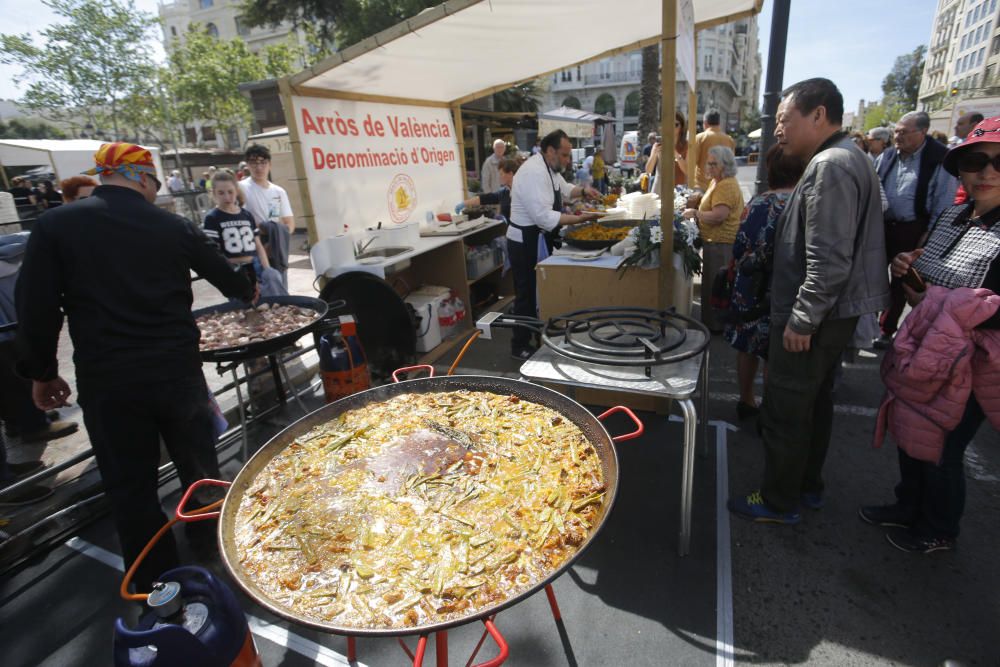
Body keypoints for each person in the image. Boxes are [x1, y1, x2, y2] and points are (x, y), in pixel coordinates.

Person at [14, 142, 255, 589]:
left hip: (109, 382)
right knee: (199, 467)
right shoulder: (171, 225)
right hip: (176, 373)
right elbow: (230, 280)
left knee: (130, 485)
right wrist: (248, 287)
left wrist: (42, 372)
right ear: (143, 177)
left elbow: (36, 306)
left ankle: (152, 580)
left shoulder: (55, 225)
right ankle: (213, 550)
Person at [727, 78, 889, 524]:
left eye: (784, 119)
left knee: (786, 406)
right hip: (830, 314)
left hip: (814, 317)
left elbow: (829, 259)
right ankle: (806, 487)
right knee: (814, 402)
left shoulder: (831, 165)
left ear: (818, 115)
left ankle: (779, 500)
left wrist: (801, 320)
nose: (777, 130)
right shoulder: (844, 158)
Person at [861, 116, 1000, 553]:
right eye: (976, 161)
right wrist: (908, 268)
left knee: (944, 445)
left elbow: (987, 308)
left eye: (999, 162)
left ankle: (939, 528)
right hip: (927, 345)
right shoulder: (953, 215)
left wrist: (936, 296)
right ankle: (910, 506)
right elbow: (932, 281)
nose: (987, 172)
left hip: (974, 359)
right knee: (912, 430)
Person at [724, 145, 806, 421]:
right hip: (786, 287)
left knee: (747, 346)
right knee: (775, 351)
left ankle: (746, 400)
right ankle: (771, 407)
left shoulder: (758, 203)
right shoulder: (802, 203)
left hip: (751, 285)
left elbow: (739, 246)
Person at [507, 129, 602, 360]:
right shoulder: (533, 172)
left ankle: (538, 334)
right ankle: (519, 344)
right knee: (526, 294)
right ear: (550, 151)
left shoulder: (549, 168)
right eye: (565, 155)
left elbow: (565, 188)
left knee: (538, 291)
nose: (568, 160)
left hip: (537, 237)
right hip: (524, 241)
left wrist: (584, 191)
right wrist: (580, 219)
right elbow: (543, 216)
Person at [873, 111, 958, 349]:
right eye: (895, 131)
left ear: (922, 132)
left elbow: (944, 202)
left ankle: (886, 329)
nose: (897, 136)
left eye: (903, 132)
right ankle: (868, 323)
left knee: (903, 282)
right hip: (882, 226)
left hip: (914, 229)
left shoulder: (940, 159)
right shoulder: (887, 156)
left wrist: (928, 235)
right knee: (872, 274)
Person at [682, 145, 744, 333]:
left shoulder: (726, 185)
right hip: (715, 242)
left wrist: (695, 212)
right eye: (708, 163)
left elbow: (718, 216)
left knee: (717, 287)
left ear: (725, 166)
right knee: (712, 285)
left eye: (713, 164)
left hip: (721, 244)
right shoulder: (718, 182)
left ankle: (716, 327)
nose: (708, 167)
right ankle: (713, 324)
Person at [239, 144, 295, 290]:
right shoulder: (241, 188)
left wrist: (275, 239)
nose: (259, 167)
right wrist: (263, 236)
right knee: (258, 292)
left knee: (280, 289)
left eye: (263, 162)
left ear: (269, 165)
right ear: (248, 165)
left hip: (276, 246)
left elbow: (289, 224)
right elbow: (241, 221)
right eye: (254, 162)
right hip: (251, 246)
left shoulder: (278, 192)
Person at [203, 170, 271, 280]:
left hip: (256, 267)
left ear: (236, 191)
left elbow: (258, 245)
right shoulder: (212, 218)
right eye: (221, 193)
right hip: (233, 271)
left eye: (230, 192)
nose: (226, 197)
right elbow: (213, 252)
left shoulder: (246, 215)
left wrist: (267, 269)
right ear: (213, 193)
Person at [646, 112, 690, 192]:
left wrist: (676, 154)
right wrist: (654, 154)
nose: (672, 127)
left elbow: (687, 170)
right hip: (660, 188)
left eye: (676, 125)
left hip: (678, 189)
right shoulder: (659, 144)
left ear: (682, 126)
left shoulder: (686, 145)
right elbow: (648, 170)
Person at [693, 110, 736, 190]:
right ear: (719, 123)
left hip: (702, 185)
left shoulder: (700, 138)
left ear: (705, 123)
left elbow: (692, 162)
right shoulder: (729, 140)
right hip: (722, 185)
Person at [952, 112, 984, 204]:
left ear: (974, 125)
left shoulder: (980, 150)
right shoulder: (958, 147)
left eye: (960, 124)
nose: (956, 127)